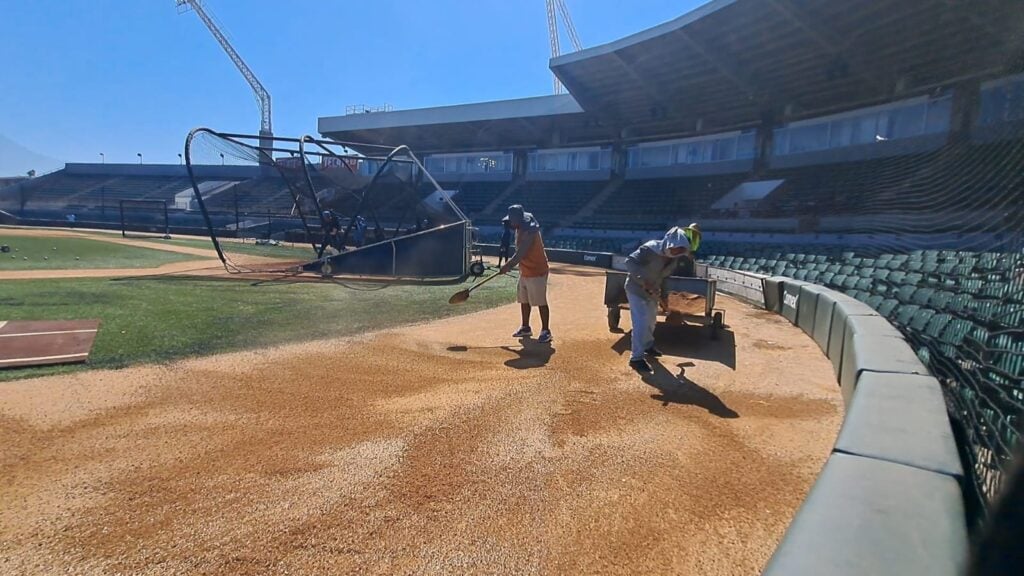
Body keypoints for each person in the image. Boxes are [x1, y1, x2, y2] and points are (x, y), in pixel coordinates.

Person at [624, 223, 702, 373]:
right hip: (636, 289)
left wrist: (664, 297)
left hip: (654, 292)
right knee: (641, 322)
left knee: (651, 321)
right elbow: (630, 262)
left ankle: (648, 345)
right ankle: (636, 358)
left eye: (682, 250)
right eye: (677, 248)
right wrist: (642, 280)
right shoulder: (649, 248)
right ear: (670, 242)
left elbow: (663, 278)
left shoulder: (674, 259)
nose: (679, 252)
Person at [499, 204, 552, 343]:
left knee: (540, 301)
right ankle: (525, 327)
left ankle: (546, 330)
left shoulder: (530, 231)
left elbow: (520, 253)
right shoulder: (521, 225)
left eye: (511, 219)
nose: (509, 222)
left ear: (518, 218)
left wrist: (507, 266)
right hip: (525, 270)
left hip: (537, 270)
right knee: (524, 300)